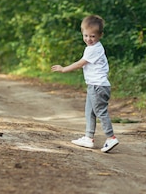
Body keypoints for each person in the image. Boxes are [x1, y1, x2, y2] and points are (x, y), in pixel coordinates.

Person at [51, 15, 119, 153]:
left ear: (100, 35)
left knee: (100, 111)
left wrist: (64, 69)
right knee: (89, 112)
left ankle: (111, 137)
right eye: (86, 35)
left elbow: (80, 63)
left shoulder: (94, 49)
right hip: (94, 86)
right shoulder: (92, 47)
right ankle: (88, 138)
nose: (89, 39)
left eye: (92, 36)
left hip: (98, 86)